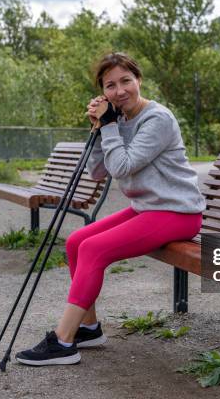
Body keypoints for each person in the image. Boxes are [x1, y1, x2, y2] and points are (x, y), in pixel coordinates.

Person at [16, 52, 206, 366]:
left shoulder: (157, 118)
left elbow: (122, 165)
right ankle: (88, 328)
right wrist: (97, 128)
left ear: (138, 80)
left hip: (177, 212)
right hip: (148, 208)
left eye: (126, 81)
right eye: (110, 85)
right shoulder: (119, 121)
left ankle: (63, 342)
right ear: (103, 92)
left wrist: (108, 127)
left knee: (93, 249)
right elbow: (98, 171)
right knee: (77, 242)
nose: (119, 91)